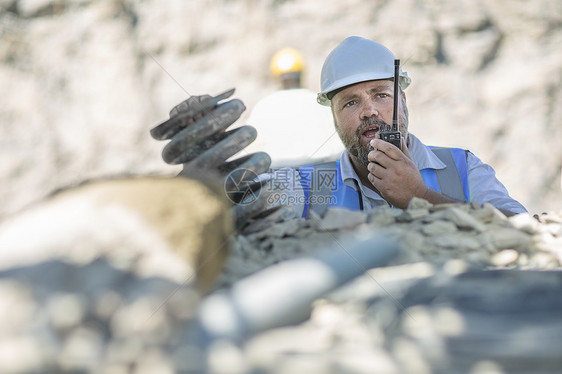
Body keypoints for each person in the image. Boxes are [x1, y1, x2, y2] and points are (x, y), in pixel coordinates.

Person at [263, 36, 526, 218]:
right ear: (334, 117)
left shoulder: (462, 168)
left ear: (403, 99)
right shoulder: (303, 185)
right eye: (351, 103)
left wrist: (420, 197)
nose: (369, 111)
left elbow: (530, 233)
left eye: (381, 95)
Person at [242, 47, 344, 167]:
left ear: (275, 76)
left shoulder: (263, 107)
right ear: (301, 74)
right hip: (321, 172)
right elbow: (339, 145)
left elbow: (251, 150)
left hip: (277, 176)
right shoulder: (320, 102)